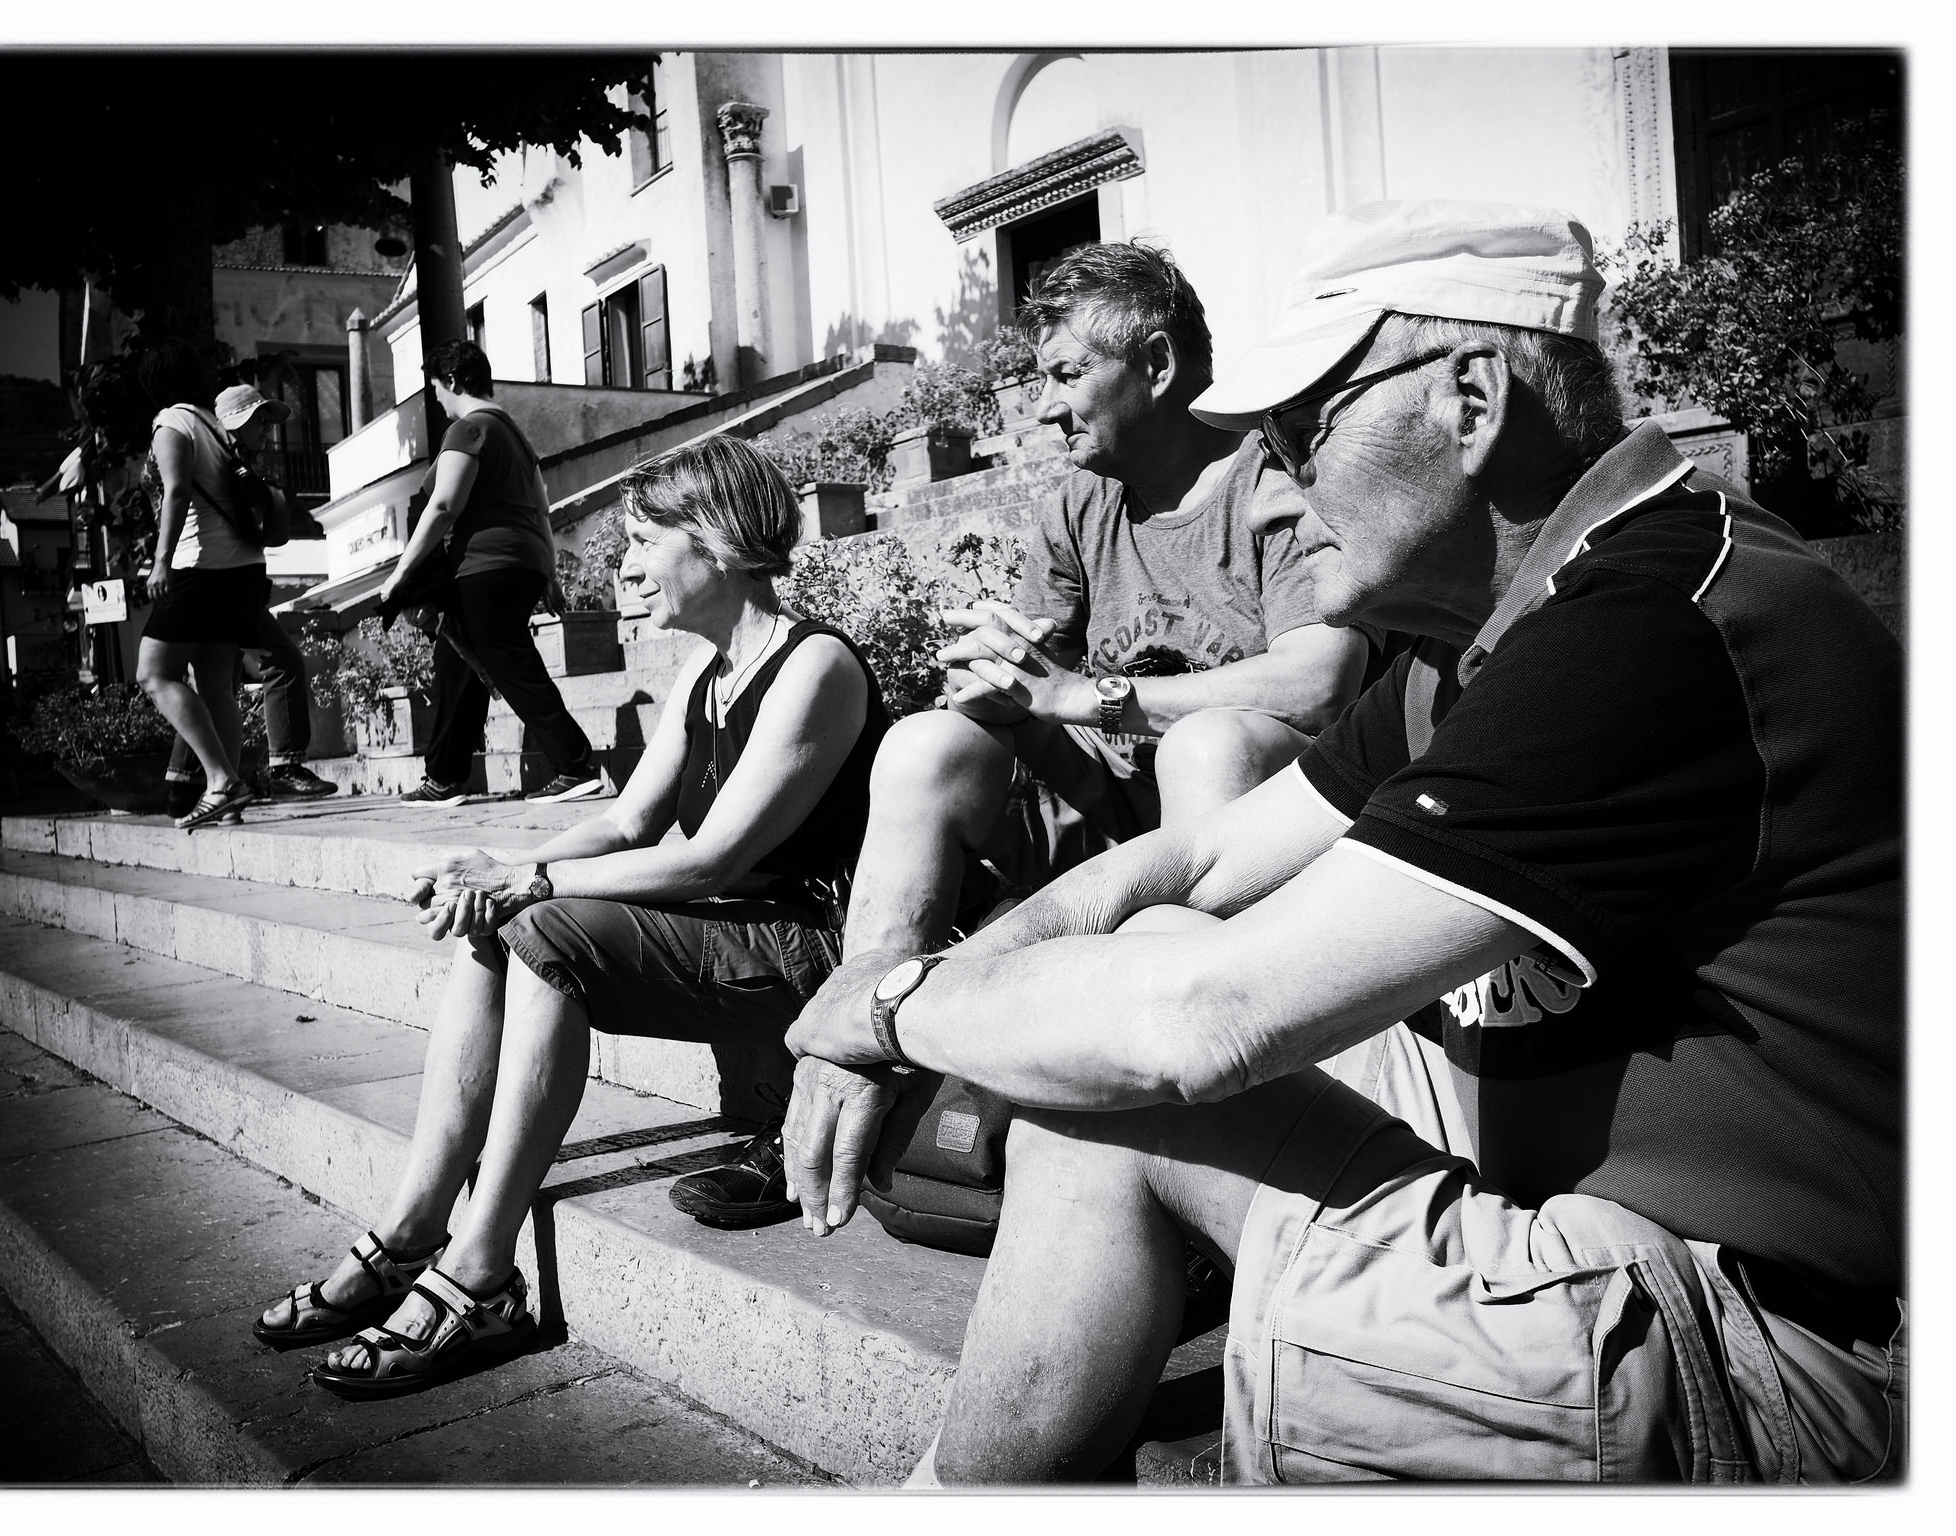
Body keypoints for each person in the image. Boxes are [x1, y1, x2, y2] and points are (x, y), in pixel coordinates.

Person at [781, 201, 1904, 1484]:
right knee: (1125, 993)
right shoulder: (1478, 638)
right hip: (1590, 1230)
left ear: (1469, 401)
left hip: (1758, 1349)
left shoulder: (1652, 620)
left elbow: (1209, 1018)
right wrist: (905, 996)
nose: (1278, 478)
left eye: (1303, 431)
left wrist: (887, 1009)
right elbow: (1193, 868)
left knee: (1132, 1071)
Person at [254, 434, 890, 1396]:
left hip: (810, 950)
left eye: (643, 540)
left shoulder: (814, 666)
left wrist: (539, 889)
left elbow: (712, 858)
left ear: (714, 543)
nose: (625, 565)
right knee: (493, 916)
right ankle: (416, 1223)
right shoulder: (706, 674)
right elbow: (630, 820)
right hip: (733, 929)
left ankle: (481, 1266)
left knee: (540, 924)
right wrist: (501, 865)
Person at [840, 241, 1372, 967]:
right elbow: (1045, 690)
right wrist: (995, 680)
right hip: (1110, 812)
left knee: (1208, 745)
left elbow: (1317, 685)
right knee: (922, 747)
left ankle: (1183, 1011)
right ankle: (863, 1034)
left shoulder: (1275, 481)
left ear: (1156, 365)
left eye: (1067, 374)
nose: (1043, 407)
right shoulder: (1078, 505)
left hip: (1258, 826)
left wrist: (1091, 696)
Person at [378, 340, 602, 806]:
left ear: (454, 382)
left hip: (484, 565)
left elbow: (443, 505)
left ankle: (576, 765)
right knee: (456, 662)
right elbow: (541, 512)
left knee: (510, 663)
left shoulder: (469, 430)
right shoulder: (516, 437)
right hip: (519, 565)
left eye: (437, 388)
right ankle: (444, 777)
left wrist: (400, 575)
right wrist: (550, 576)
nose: (437, 399)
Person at [161, 383, 338, 816]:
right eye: (260, 420)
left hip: (225, 584)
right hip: (217, 584)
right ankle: (280, 766)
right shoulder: (219, 461)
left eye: (268, 421)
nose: (268, 430)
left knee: (213, 683)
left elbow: (265, 533)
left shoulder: (238, 463)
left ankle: (186, 783)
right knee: (275, 663)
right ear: (234, 422)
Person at [134, 341, 270, 829]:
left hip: (201, 565)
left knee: (153, 673)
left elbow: (176, 489)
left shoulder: (171, 422)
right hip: (244, 568)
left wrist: (160, 561)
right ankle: (228, 801)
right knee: (216, 686)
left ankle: (220, 781)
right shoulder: (213, 421)